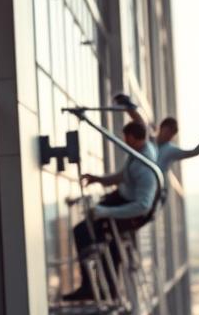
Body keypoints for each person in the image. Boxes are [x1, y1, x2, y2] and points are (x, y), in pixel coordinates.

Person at [63, 120, 160, 302]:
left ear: (133, 138)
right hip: (124, 199)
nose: (125, 142)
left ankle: (93, 288)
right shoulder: (138, 152)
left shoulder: (144, 166)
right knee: (98, 237)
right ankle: (100, 287)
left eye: (126, 139)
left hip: (133, 210)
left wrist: (105, 212)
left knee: (86, 233)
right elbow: (125, 176)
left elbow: (143, 206)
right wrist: (99, 180)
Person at [113, 92, 199, 185]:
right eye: (168, 131)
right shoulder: (149, 138)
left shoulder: (171, 150)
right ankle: (127, 103)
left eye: (172, 133)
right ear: (161, 127)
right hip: (137, 177)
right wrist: (129, 109)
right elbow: (140, 122)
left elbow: (195, 151)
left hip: (153, 186)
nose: (169, 135)